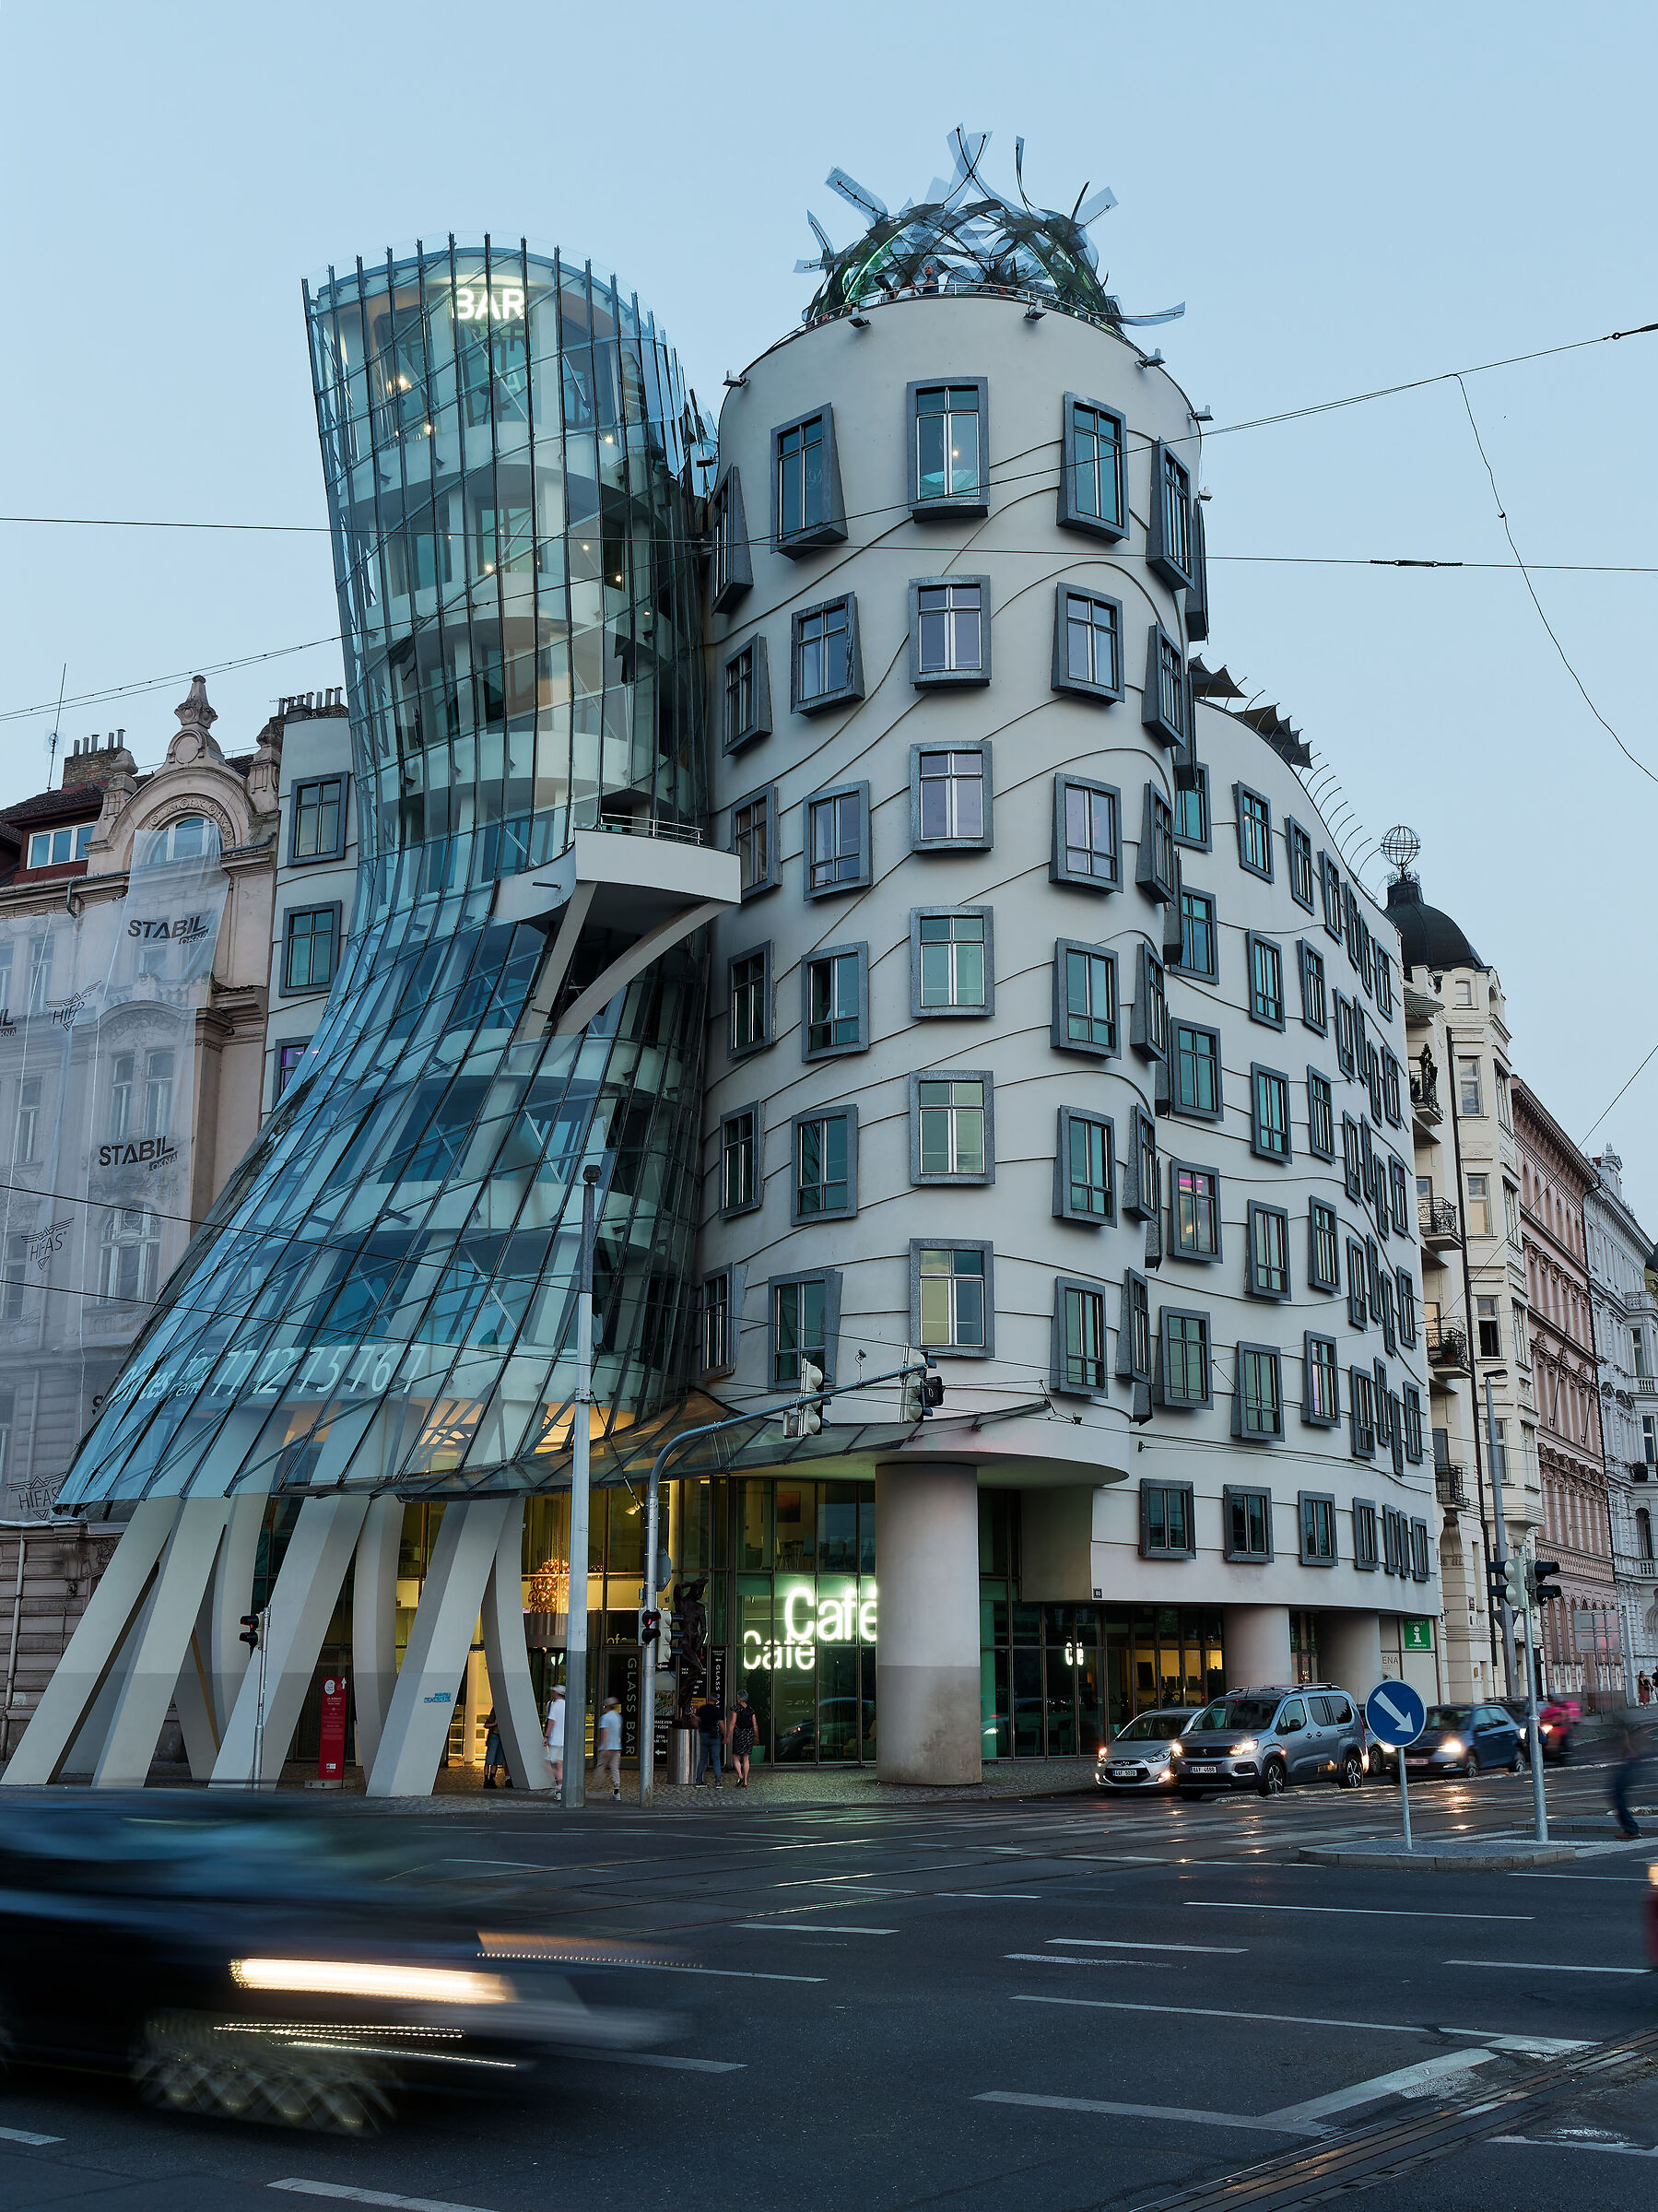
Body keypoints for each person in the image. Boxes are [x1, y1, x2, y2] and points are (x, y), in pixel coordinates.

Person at [1609, 1713, 1649, 1839]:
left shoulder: (1621, 1722)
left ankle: (1632, 1829)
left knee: (1617, 1795)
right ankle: (1631, 1828)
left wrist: (1628, 1751)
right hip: (1629, 1764)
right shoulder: (1621, 1720)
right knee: (1617, 1796)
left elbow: (1627, 1742)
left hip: (1629, 1764)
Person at [594, 1697, 623, 1799]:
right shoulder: (618, 1717)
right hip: (616, 1747)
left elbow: (605, 1732)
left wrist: (604, 1746)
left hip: (607, 1747)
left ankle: (598, 1786)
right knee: (615, 1768)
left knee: (601, 1766)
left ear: (606, 1706)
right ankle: (616, 1790)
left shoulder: (605, 1718)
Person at [695, 1691, 725, 1787]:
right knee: (716, 1758)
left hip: (704, 1735)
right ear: (716, 1701)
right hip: (714, 1737)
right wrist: (726, 1735)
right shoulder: (717, 1710)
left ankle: (699, 1781)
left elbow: (696, 1719)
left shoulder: (702, 1709)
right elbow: (721, 1724)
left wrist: (699, 1730)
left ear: (709, 1699)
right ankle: (718, 1781)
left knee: (703, 1758)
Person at [729, 1691, 758, 1788]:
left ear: (739, 1698)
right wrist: (756, 1736)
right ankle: (745, 1781)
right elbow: (755, 1725)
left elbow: (732, 1723)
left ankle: (740, 1776)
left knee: (736, 1757)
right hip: (749, 1735)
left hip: (739, 1734)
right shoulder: (751, 1709)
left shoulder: (736, 1709)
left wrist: (727, 1736)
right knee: (746, 1758)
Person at [544, 1685, 566, 1791]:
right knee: (560, 1764)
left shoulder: (555, 1705)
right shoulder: (567, 1705)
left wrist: (546, 1736)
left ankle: (560, 1783)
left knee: (547, 1764)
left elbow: (551, 1721)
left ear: (556, 1693)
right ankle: (560, 1787)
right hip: (563, 1740)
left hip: (555, 1739)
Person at [483, 1709, 508, 1789]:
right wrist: (494, 1724)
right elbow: (486, 1725)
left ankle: (491, 1779)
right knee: (490, 1759)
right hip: (494, 1736)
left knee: (497, 1760)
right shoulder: (494, 1715)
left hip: (501, 1737)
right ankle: (486, 1780)